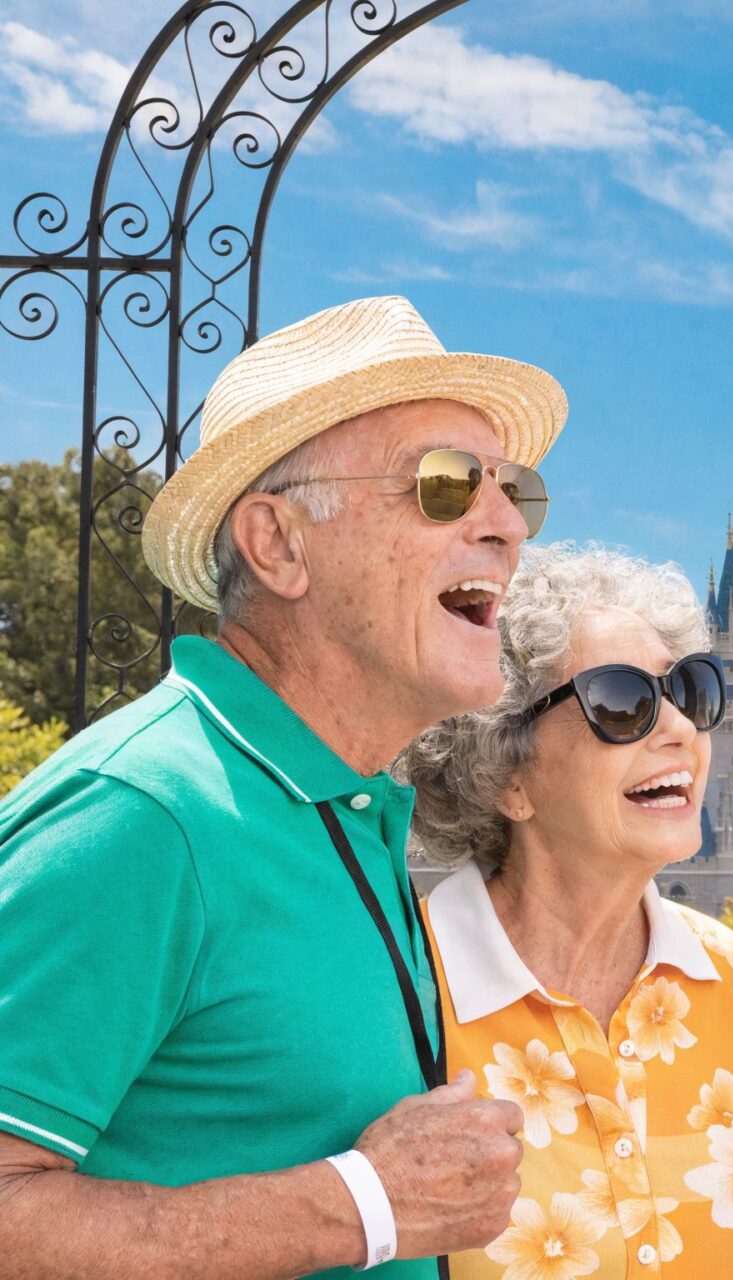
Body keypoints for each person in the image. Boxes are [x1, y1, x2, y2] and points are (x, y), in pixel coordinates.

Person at [0, 295, 564, 1278]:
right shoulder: (142, 813)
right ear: (279, 543)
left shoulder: (344, 805)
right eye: (445, 484)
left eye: (516, 491)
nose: (509, 525)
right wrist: (359, 1203)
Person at [398, 543, 733, 1279]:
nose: (680, 731)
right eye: (623, 703)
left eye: (690, 692)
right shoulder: (398, 986)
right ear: (505, 775)